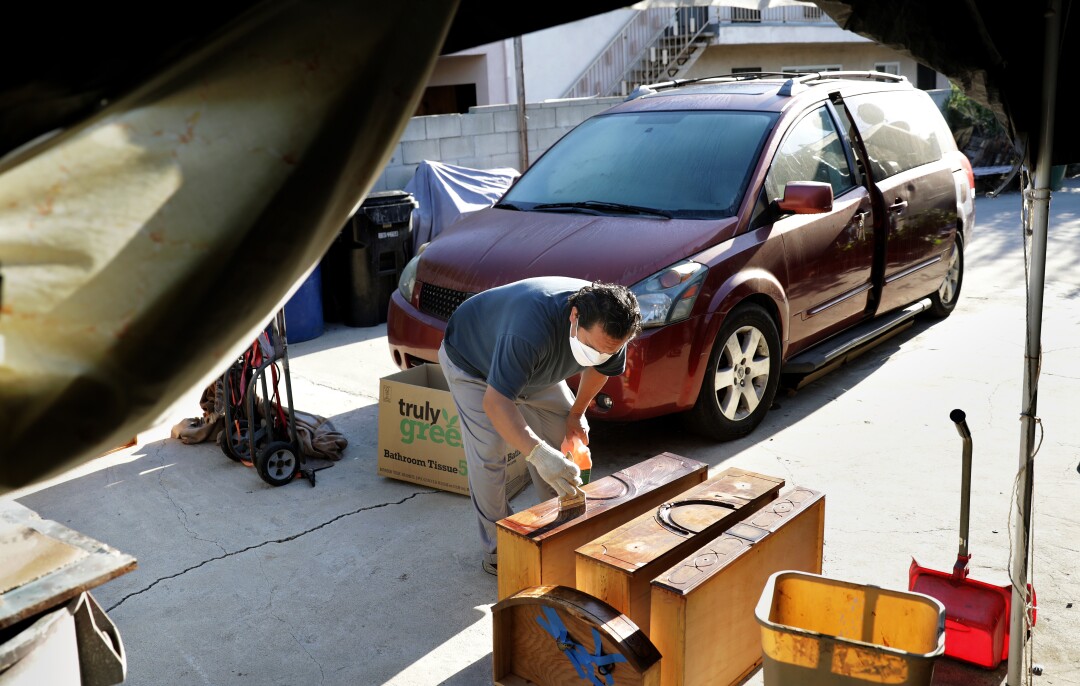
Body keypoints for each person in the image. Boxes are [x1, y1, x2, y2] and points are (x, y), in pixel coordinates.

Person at [437, 277, 642, 575]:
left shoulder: (613, 327)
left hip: (533, 369)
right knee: (489, 456)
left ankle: (559, 528)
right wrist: (537, 454)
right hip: (473, 364)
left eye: (606, 351)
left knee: (564, 438)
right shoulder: (529, 330)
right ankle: (500, 550)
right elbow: (497, 403)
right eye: (590, 347)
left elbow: (601, 371)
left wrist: (575, 415)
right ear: (574, 317)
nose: (598, 355)